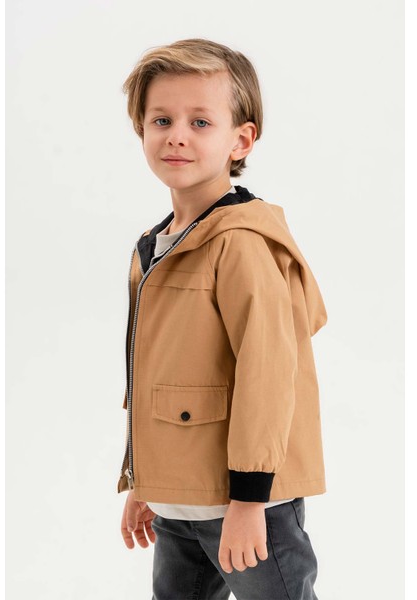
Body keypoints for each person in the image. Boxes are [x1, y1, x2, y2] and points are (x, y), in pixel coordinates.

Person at [117, 37, 328, 600]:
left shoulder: (239, 244)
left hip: (247, 503)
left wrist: (250, 501)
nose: (176, 135)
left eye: (200, 122)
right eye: (161, 119)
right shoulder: (157, 244)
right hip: (179, 503)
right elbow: (157, 372)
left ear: (241, 140)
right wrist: (145, 482)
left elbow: (267, 375)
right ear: (141, 129)